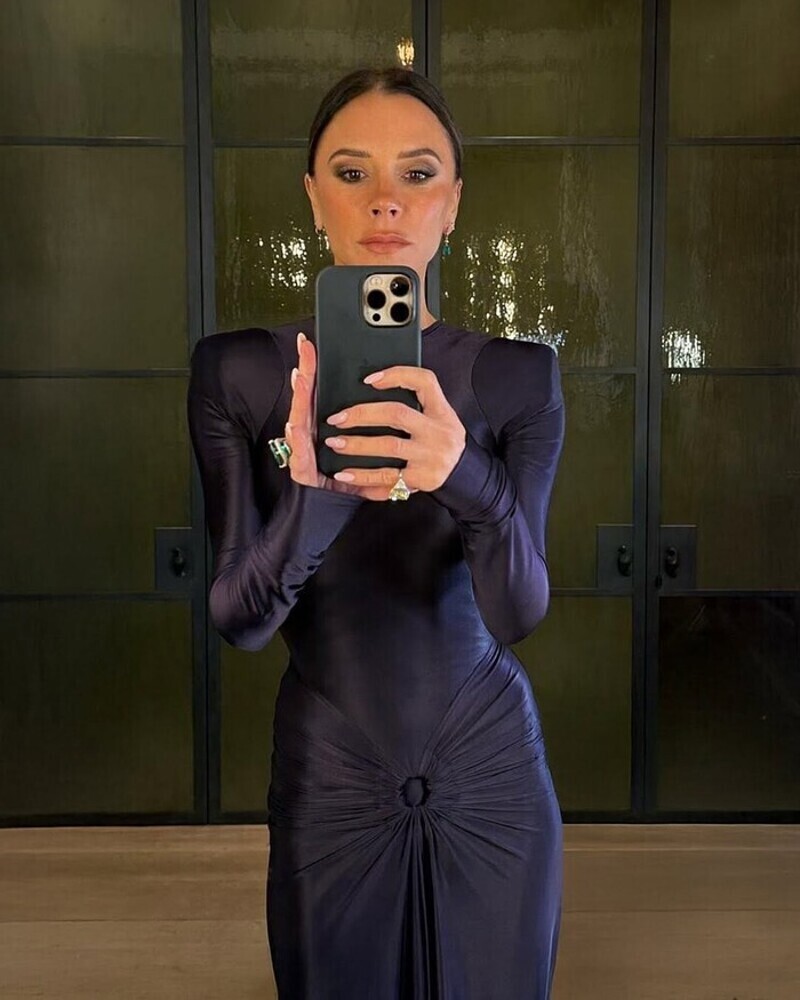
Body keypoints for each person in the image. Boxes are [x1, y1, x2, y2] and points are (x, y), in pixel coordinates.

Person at [188, 67, 565, 1000]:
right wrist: (317, 494)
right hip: (333, 770)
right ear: (314, 197)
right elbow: (240, 619)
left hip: (492, 768)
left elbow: (518, 611)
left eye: (418, 174)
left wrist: (463, 475)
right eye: (352, 173)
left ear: (453, 204)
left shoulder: (519, 376)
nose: (386, 201)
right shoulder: (239, 372)